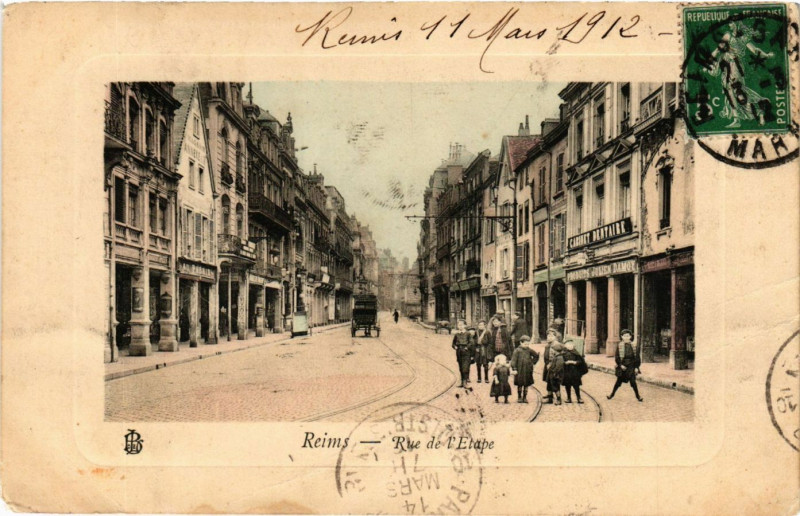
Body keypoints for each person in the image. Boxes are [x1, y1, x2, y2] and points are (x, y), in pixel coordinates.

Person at [607, 329, 644, 402]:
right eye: (625, 336)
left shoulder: (634, 346)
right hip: (623, 366)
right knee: (618, 382)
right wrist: (620, 365)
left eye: (628, 336)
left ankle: (638, 396)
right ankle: (612, 394)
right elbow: (617, 357)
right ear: (622, 337)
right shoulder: (620, 346)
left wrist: (636, 367)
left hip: (631, 366)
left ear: (630, 337)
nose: (626, 337)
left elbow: (637, 357)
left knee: (633, 382)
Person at [510, 335, 539, 403]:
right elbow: (513, 360)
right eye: (525, 344)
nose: (527, 345)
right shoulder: (517, 351)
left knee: (526, 384)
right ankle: (519, 397)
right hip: (519, 370)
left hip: (527, 370)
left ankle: (525, 397)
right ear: (521, 343)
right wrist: (514, 368)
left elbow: (536, 356)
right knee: (520, 384)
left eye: (528, 344)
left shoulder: (529, 350)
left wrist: (533, 363)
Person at [451, 320, 474, 388]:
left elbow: (471, 343)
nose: (460, 326)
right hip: (458, 351)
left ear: (465, 326)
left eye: (461, 325)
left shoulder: (468, 334)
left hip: (466, 352)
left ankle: (465, 382)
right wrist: (454, 346)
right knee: (460, 367)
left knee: (465, 367)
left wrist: (467, 347)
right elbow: (453, 343)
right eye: (459, 325)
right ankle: (462, 382)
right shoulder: (457, 334)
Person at [541, 328, 562, 403]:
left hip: (554, 367)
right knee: (549, 381)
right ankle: (550, 396)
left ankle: (559, 398)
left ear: (555, 337)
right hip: (547, 366)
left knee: (554, 381)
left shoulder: (557, 345)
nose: (549, 338)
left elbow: (560, 356)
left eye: (551, 336)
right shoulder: (547, 345)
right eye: (548, 336)